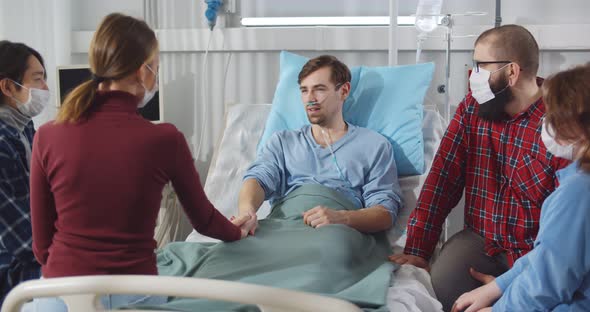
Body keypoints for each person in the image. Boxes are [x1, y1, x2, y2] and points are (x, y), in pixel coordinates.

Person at [28, 13, 253, 311]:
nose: (156, 77)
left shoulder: (46, 135)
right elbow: (205, 220)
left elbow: (42, 245)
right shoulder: (164, 139)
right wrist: (238, 230)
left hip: (58, 295)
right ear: (142, 71)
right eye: (156, 67)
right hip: (132, 295)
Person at [389, 24, 570, 311]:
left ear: (512, 72)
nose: (473, 76)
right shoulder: (473, 108)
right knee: (445, 286)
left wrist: (510, 286)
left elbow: (567, 233)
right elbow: (441, 179)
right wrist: (418, 250)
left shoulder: (561, 125)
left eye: (481, 66)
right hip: (482, 240)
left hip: (537, 251)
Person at [452, 63, 590, 312]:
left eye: (554, 115)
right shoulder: (577, 183)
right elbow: (551, 256)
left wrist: (500, 309)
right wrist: (500, 287)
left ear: (577, 127)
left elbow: (546, 284)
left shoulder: (578, 192)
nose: (547, 122)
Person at [238, 54, 402, 234]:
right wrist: (247, 212)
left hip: (336, 232)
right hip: (283, 227)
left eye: (319, 89)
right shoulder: (283, 142)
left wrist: (342, 218)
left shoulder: (374, 145)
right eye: (304, 90)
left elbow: (385, 212)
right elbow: (258, 179)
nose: (310, 98)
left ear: (344, 91)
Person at [0, 40, 48, 302]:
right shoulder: (1, 145)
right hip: (9, 271)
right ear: (8, 86)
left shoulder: (25, 130)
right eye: (38, 79)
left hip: (29, 254)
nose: (46, 89)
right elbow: (24, 240)